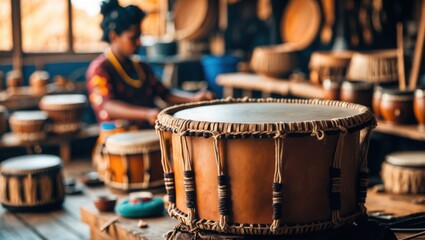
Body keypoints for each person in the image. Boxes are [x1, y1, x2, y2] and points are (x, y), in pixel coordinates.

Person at [86, 0, 214, 128]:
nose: (139, 42)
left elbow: (164, 93)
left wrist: (194, 98)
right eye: (133, 38)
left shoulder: (141, 67)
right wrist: (146, 113)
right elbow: (107, 105)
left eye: (140, 36)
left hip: (147, 131)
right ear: (114, 37)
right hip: (116, 138)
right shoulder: (100, 69)